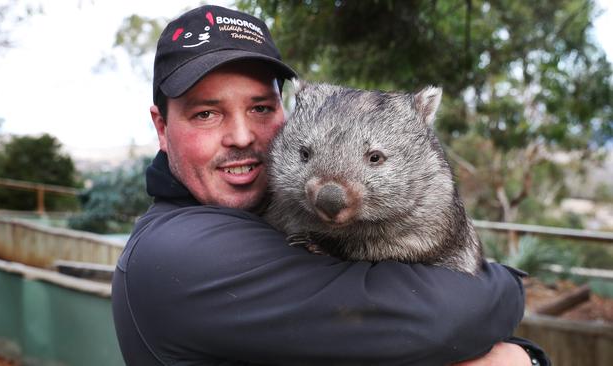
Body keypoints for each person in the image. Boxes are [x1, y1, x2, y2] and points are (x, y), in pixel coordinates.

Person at [111, 5, 549, 365]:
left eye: (261, 108)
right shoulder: (177, 253)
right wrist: (506, 293)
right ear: (162, 127)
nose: (242, 136)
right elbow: (440, 317)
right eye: (206, 113)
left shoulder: (263, 211)